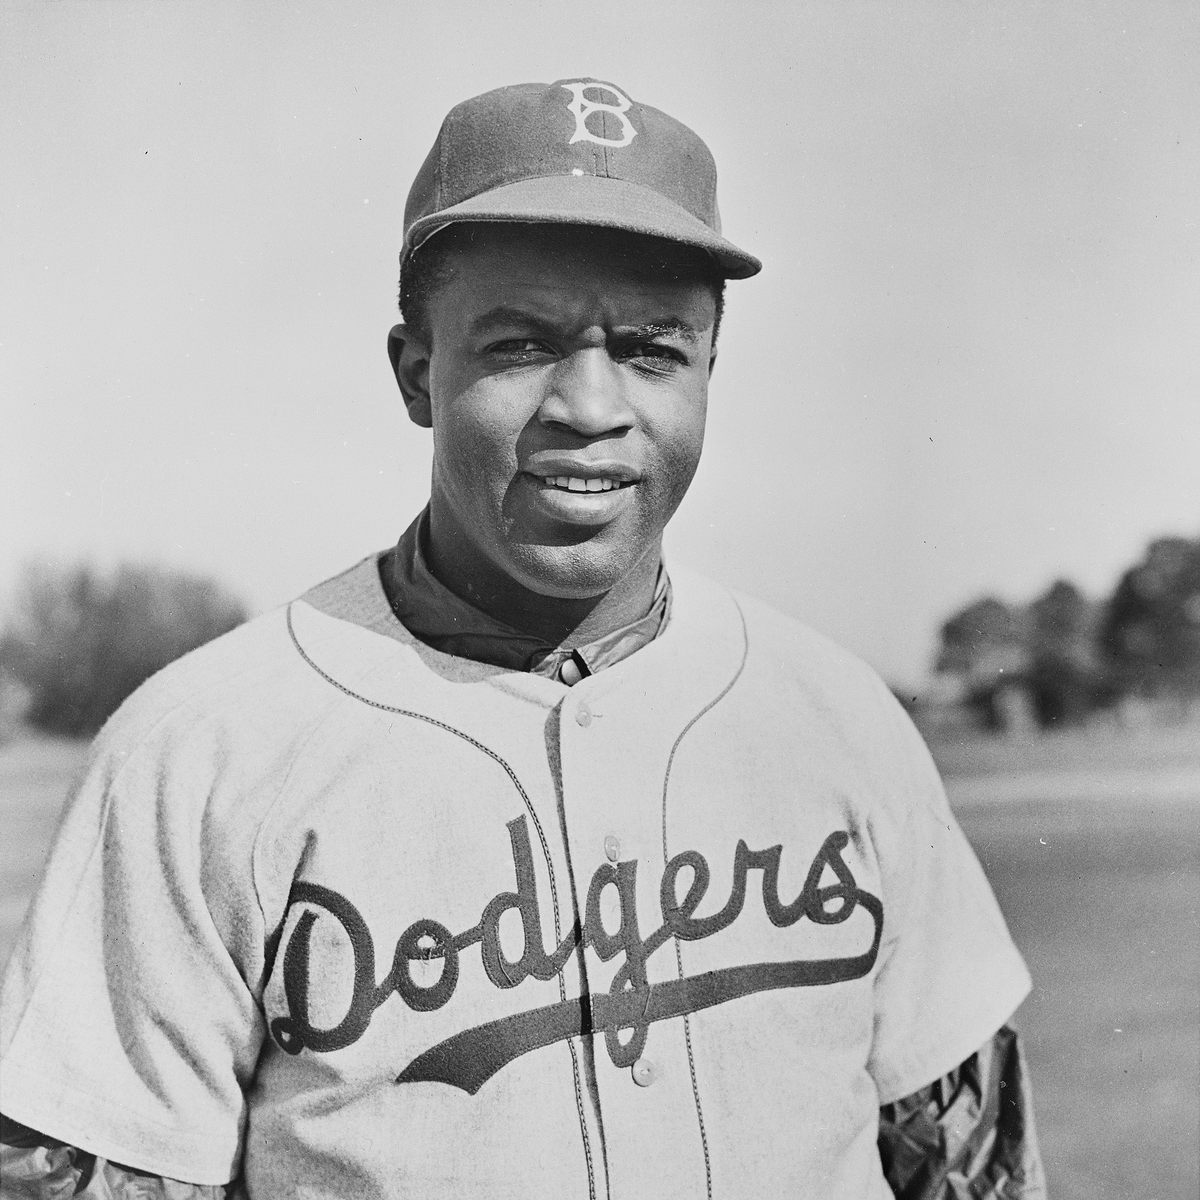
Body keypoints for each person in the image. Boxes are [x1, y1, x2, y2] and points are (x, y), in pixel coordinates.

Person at [0, 79, 1045, 1199]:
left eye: (651, 350)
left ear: (708, 375)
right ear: (417, 373)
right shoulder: (198, 753)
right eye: (521, 344)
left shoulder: (836, 719)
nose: (589, 405)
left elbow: (973, 1165)